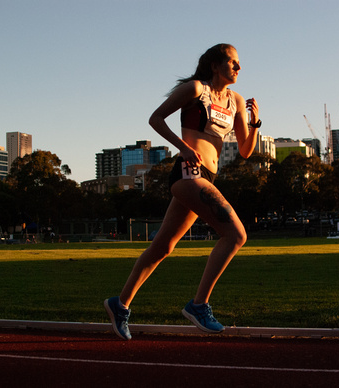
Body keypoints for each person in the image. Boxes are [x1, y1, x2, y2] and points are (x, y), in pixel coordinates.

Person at [104, 43, 260, 340]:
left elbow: (246, 150)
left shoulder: (236, 100)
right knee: (236, 235)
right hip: (189, 173)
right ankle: (198, 305)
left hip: (208, 177)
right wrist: (184, 147)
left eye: (239, 63)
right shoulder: (195, 89)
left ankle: (119, 304)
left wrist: (255, 122)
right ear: (215, 65)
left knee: (163, 246)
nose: (238, 67)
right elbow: (155, 118)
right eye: (232, 62)